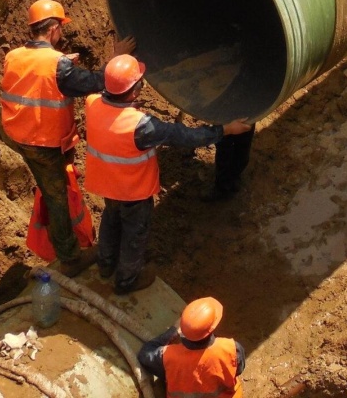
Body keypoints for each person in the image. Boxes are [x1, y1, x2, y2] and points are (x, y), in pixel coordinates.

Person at [0, 0, 130, 276]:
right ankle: (70, 259)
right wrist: (116, 58)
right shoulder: (60, 67)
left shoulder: (15, 55)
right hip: (42, 147)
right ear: (55, 28)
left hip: (10, 127)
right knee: (55, 198)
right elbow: (98, 82)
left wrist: (61, 66)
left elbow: (37, 73)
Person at [85, 55, 251, 294]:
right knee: (134, 235)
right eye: (139, 82)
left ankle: (105, 264)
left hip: (106, 186)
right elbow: (184, 136)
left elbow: (109, 108)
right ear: (133, 92)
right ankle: (126, 281)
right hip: (133, 193)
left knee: (111, 221)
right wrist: (225, 130)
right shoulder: (141, 126)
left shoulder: (92, 103)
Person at [138, 296, 244, 398]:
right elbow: (239, 369)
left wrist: (173, 331)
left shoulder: (167, 357)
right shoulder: (232, 349)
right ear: (212, 327)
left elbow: (145, 354)